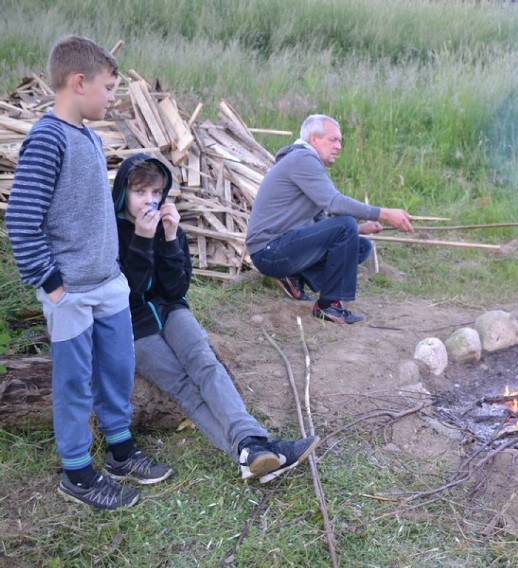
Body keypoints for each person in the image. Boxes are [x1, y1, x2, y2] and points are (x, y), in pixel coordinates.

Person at [6, 36, 171, 511]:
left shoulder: (88, 138)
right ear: (79, 83)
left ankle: (119, 451)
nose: (113, 97)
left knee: (117, 369)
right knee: (75, 383)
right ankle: (77, 472)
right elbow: (21, 219)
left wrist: (116, 270)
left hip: (108, 284)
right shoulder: (47, 138)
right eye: (109, 87)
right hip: (72, 292)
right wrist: (52, 284)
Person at [112, 154, 320, 484]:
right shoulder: (112, 232)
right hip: (132, 324)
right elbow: (126, 293)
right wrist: (139, 239)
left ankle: (251, 448)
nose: (150, 201)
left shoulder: (169, 227)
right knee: (183, 386)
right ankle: (253, 451)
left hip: (170, 311)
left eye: (156, 193)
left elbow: (177, 288)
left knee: (206, 365)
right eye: (140, 193)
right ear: (124, 193)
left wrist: (168, 240)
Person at [246, 114, 414, 324]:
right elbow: (334, 202)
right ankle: (329, 306)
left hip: (283, 246)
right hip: (270, 251)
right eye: (333, 139)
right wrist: (385, 213)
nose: (339, 146)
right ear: (314, 139)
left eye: (340, 141)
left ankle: (295, 275)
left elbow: (320, 222)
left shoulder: (307, 162)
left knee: (360, 247)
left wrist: (359, 229)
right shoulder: (302, 159)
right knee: (345, 225)